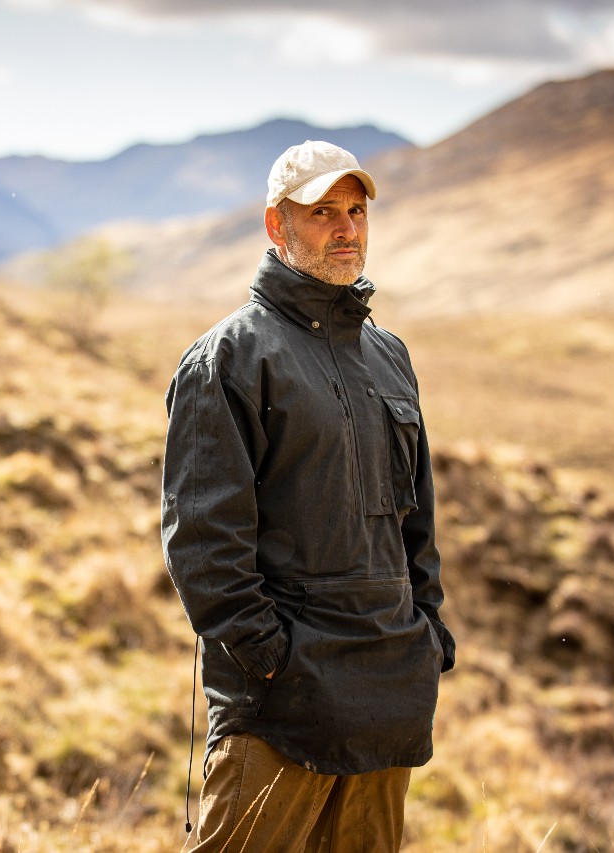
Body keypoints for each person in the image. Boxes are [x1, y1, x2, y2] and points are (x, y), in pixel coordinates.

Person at [160, 140, 456, 852]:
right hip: (280, 710)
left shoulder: (389, 355)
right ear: (277, 225)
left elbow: (417, 520)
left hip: (389, 693)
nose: (346, 228)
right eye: (323, 212)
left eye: (355, 211)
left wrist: (427, 636)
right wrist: (270, 658)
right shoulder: (229, 358)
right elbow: (203, 541)